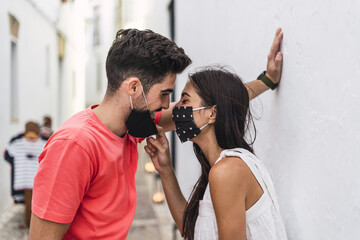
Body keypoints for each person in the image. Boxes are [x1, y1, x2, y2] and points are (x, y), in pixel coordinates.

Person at [30, 28, 283, 239]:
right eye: (164, 94)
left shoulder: (132, 127)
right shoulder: (75, 145)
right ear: (133, 87)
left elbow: (217, 104)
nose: (166, 106)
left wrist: (267, 81)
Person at [144, 37, 286, 239]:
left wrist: (266, 81)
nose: (174, 109)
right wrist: (165, 169)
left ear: (212, 114)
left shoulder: (227, 170)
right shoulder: (222, 167)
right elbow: (193, 230)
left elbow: (226, 100)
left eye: (184, 101)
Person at [4, 121, 47, 227]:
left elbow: (7, 156)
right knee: (35, 204)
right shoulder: (44, 144)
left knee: (32, 204)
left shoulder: (16, 143)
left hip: (23, 179)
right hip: (36, 181)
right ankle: (31, 224)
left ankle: (30, 224)